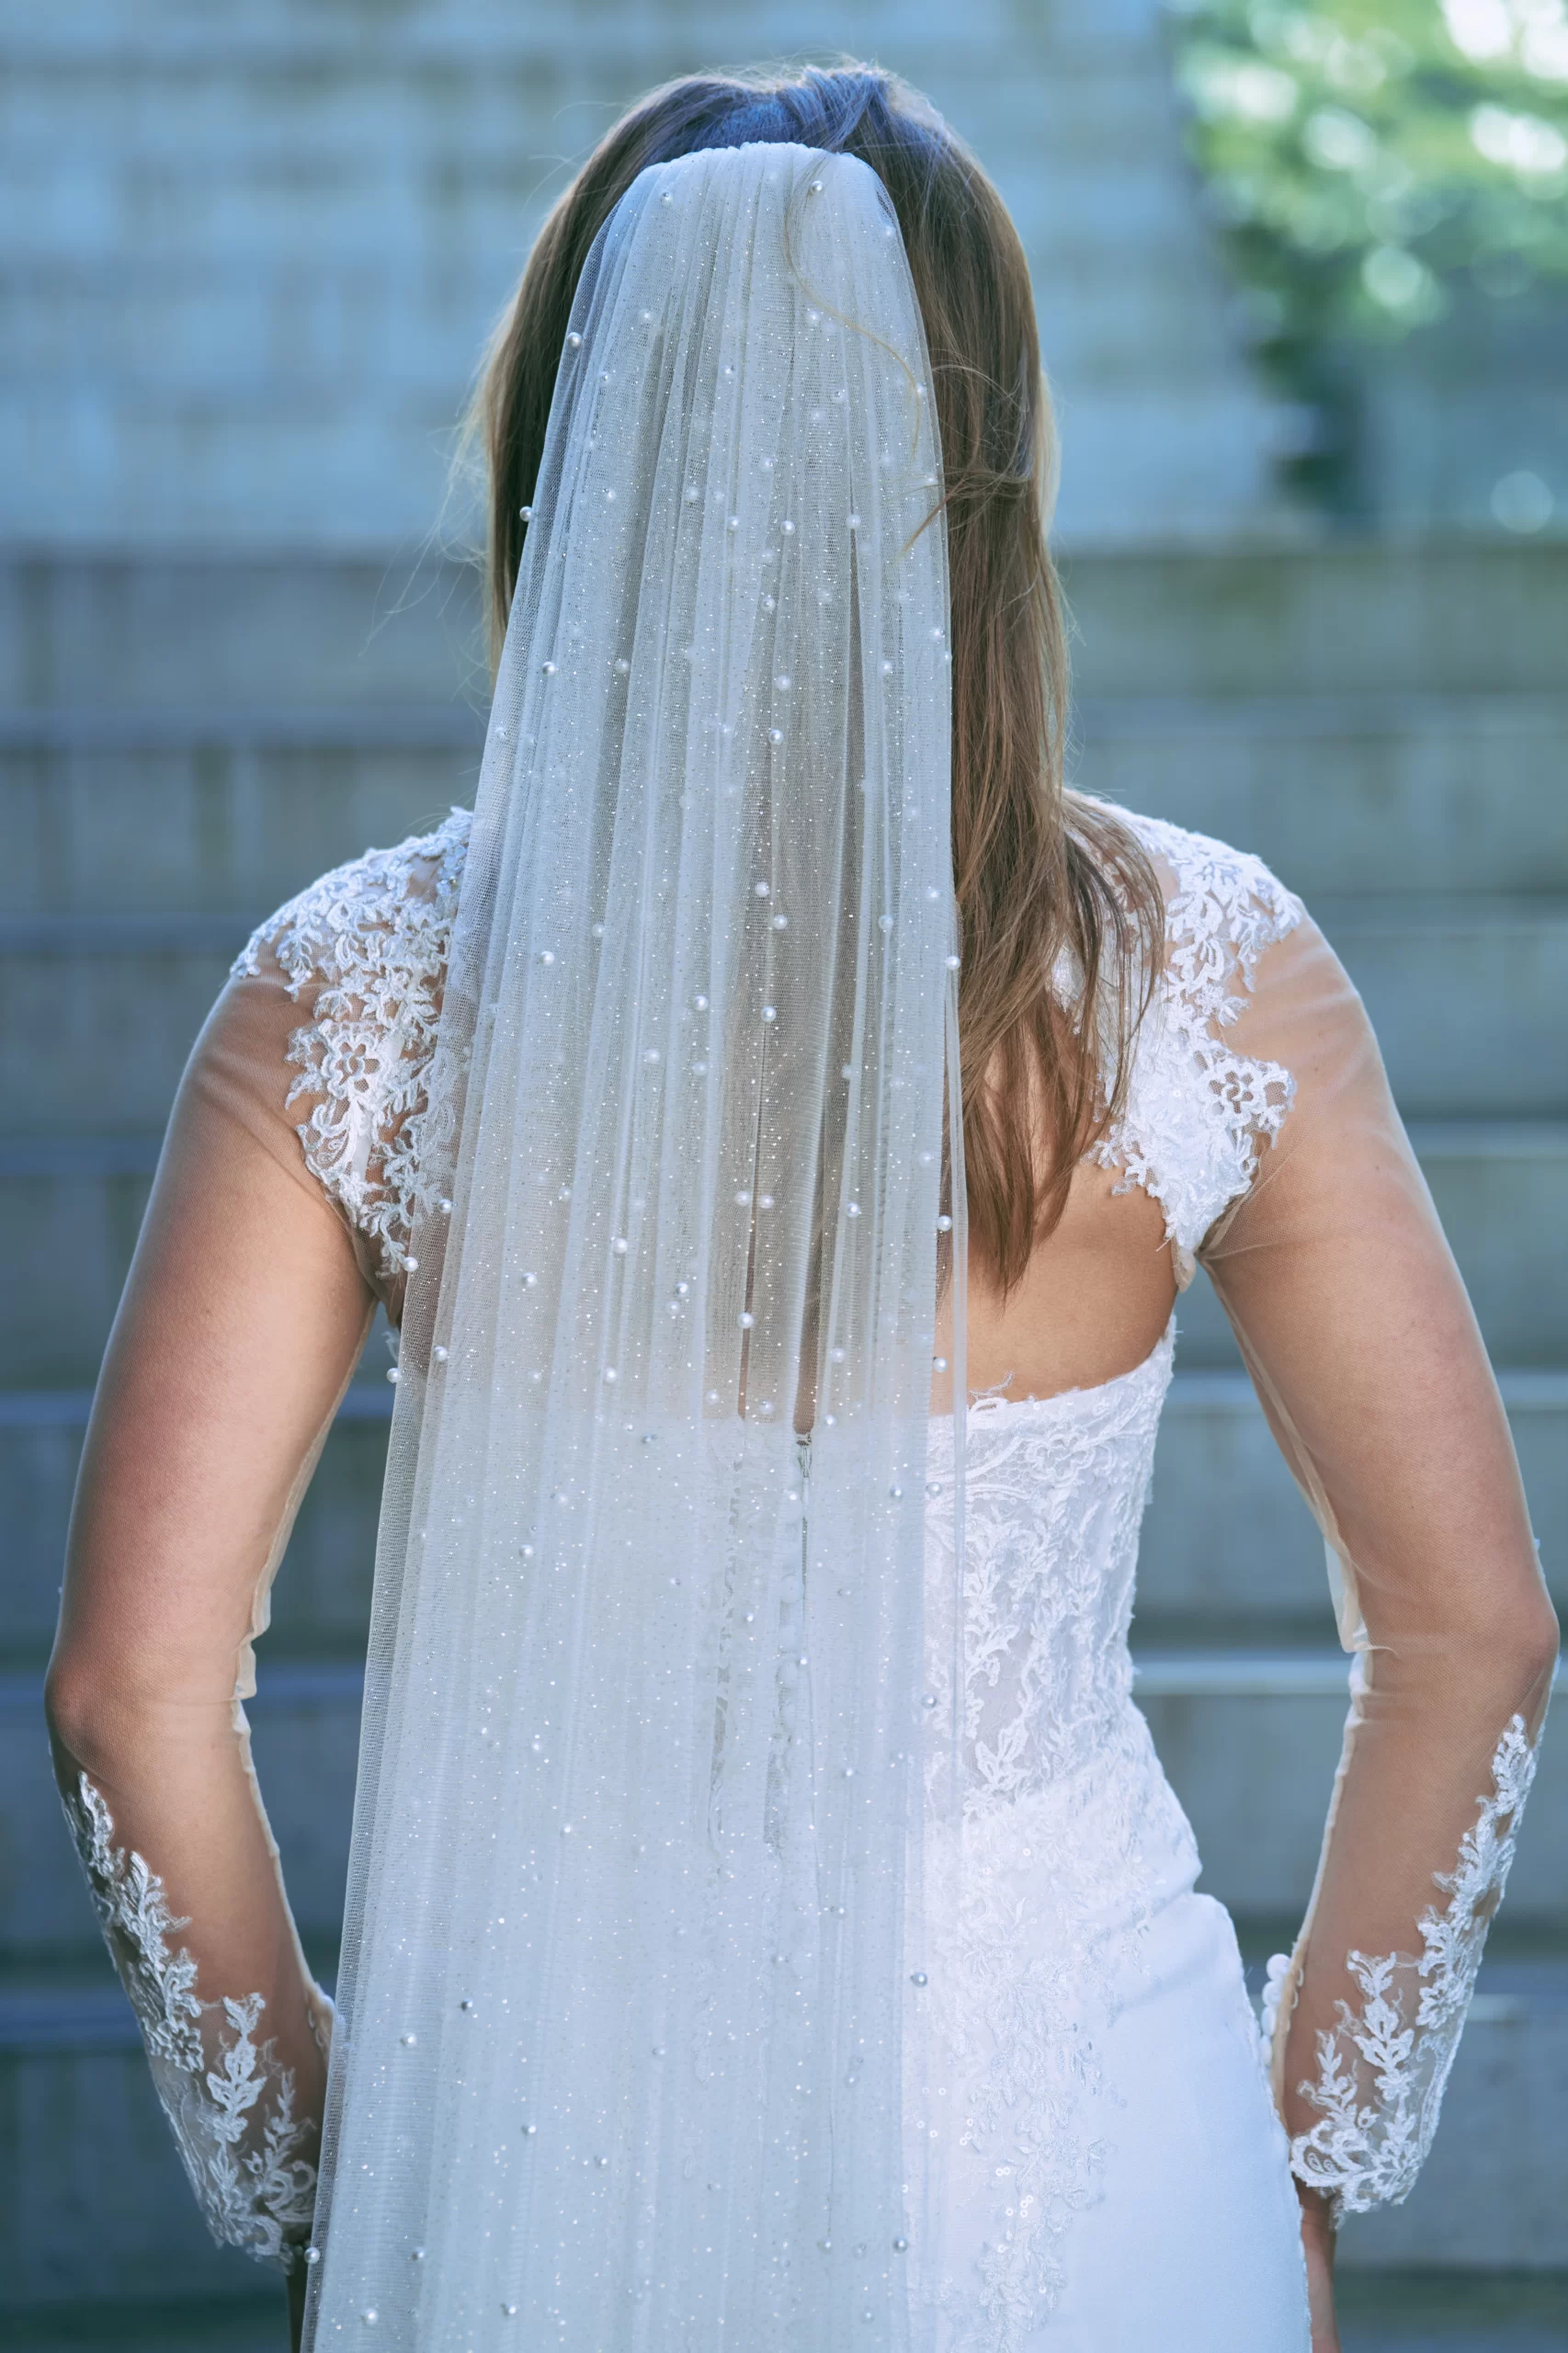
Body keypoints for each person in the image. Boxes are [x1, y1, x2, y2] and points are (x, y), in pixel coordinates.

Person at [45, 64, 1556, 2353]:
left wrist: (327, 2170)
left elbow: (128, 1685)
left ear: (572, 447)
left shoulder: (349, 994)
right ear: (990, 472)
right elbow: (1475, 1630)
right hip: (1091, 2138)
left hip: (531, 2141)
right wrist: (1301, 2161)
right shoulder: (1206, 972)